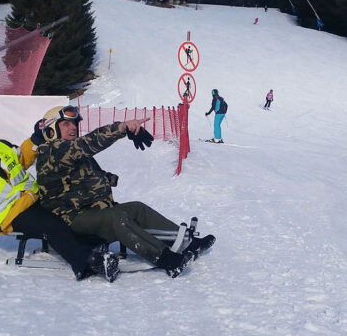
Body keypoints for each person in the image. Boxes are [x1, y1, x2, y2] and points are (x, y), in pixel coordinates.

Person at [36, 106, 215, 278]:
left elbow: (81, 177)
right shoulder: (52, 150)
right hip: (71, 218)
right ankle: (166, 259)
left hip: (91, 210)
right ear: (51, 130)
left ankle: (187, 241)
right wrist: (121, 128)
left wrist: (106, 178)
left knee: (137, 208)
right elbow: (88, 143)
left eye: (74, 123)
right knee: (115, 217)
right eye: (66, 124)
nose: (73, 127)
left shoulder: (71, 151)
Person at [0, 120, 119, 282]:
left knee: (65, 207)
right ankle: (88, 262)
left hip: (33, 197)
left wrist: (35, 140)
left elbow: (21, 159)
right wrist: (30, 195)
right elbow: (13, 199)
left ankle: (92, 241)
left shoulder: (1, 147)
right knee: (50, 224)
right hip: (9, 215)